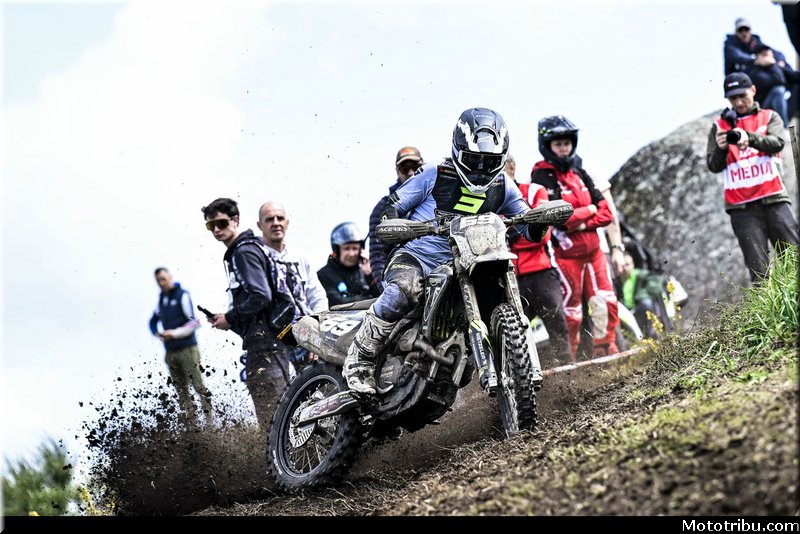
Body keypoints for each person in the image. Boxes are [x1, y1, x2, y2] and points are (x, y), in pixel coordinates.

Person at [343, 107, 550, 395]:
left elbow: (527, 226)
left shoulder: (503, 184)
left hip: (474, 261)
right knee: (402, 290)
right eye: (474, 159)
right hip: (419, 257)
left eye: (489, 161)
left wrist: (540, 220)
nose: (480, 169)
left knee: (500, 292)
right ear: (458, 149)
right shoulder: (436, 172)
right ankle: (360, 360)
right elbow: (394, 204)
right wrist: (395, 223)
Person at [531, 115, 620, 359]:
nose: (564, 148)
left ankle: (608, 354)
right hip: (565, 256)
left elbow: (606, 213)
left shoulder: (579, 171)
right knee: (572, 312)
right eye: (558, 144)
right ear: (547, 145)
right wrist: (589, 210)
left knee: (606, 302)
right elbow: (559, 218)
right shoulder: (542, 175)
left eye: (567, 143)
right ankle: (570, 362)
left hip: (594, 253)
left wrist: (582, 222)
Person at [201, 197, 291, 434]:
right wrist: (228, 319)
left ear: (235, 220)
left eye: (221, 223)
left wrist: (230, 317)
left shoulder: (243, 251)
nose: (217, 230)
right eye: (211, 226)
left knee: (274, 415)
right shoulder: (247, 248)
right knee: (277, 412)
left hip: (265, 344)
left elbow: (261, 296)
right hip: (267, 341)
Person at [706, 72, 799, 283]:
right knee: (758, 271)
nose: (739, 102)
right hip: (742, 209)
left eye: (743, 96)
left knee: (793, 258)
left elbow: (777, 143)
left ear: (753, 91)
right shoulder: (719, 127)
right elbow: (713, 165)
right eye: (733, 98)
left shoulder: (769, 116)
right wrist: (721, 148)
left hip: (774, 199)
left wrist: (749, 138)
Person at [509, 171, 571, 367]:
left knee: (556, 324)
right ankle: (525, 376)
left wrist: (509, 236)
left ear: (511, 169)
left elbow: (541, 234)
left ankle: (567, 371)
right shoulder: (491, 199)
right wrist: (522, 229)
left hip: (542, 272)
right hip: (511, 277)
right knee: (514, 334)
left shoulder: (534, 190)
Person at [148, 267, 213, 426]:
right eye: (158, 281)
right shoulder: (161, 300)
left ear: (170, 277)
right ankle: (191, 425)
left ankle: (210, 421)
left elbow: (195, 322)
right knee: (181, 391)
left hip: (188, 349)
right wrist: (157, 333)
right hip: (170, 352)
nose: (161, 283)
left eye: (163, 279)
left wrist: (174, 333)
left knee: (198, 385)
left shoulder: (182, 295)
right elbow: (152, 321)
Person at [368, 146, 424, 288]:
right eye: (405, 168)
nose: (411, 172)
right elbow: (378, 255)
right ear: (397, 171)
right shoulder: (383, 207)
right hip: (405, 280)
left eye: (415, 167)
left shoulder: (438, 198)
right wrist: (386, 289)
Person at [257, 200, 328, 313]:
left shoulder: (300, 256)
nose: (276, 223)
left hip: (306, 322)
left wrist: (319, 319)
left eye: (280, 218)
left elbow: (317, 297)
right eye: (269, 219)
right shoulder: (254, 257)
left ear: (287, 223)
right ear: (259, 225)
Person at [724, 17, 797, 121]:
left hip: (768, 95)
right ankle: (782, 125)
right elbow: (737, 56)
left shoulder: (758, 46)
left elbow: (777, 55)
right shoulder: (731, 45)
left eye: (746, 29)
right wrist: (757, 60)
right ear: (736, 32)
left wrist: (779, 62)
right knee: (778, 91)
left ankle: (785, 123)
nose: (744, 33)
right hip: (743, 88)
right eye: (740, 30)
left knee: (784, 88)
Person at [318, 222, 381, 306]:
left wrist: (371, 275)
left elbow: (383, 298)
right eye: (346, 249)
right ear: (337, 250)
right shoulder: (324, 275)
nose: (351, 254)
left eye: (355, 248)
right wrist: (369, 298)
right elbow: (336, 303)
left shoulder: (365, 271)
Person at [618, 251, 668, 340]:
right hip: (627, 313)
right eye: (622, 265)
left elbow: (656, 280)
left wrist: (642, 295)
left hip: (639, 310)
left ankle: (649, 335)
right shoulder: (617, 281)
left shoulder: (639, 274)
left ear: (633, 265)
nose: (625, 268)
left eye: (627, 265)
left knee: (646, 303)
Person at [746, 43, 799, 127]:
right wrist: (773, 65)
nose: (766, 56)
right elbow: (778, 80)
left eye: (767, 53)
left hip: (782, 109)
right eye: (762, 54)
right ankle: (783, 128)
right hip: (762, 110)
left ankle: (789, 129)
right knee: (778, 90)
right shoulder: (753, 71)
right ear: (757, 59)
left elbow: (795, 76)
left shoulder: (776, 67)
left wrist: (776, 66)